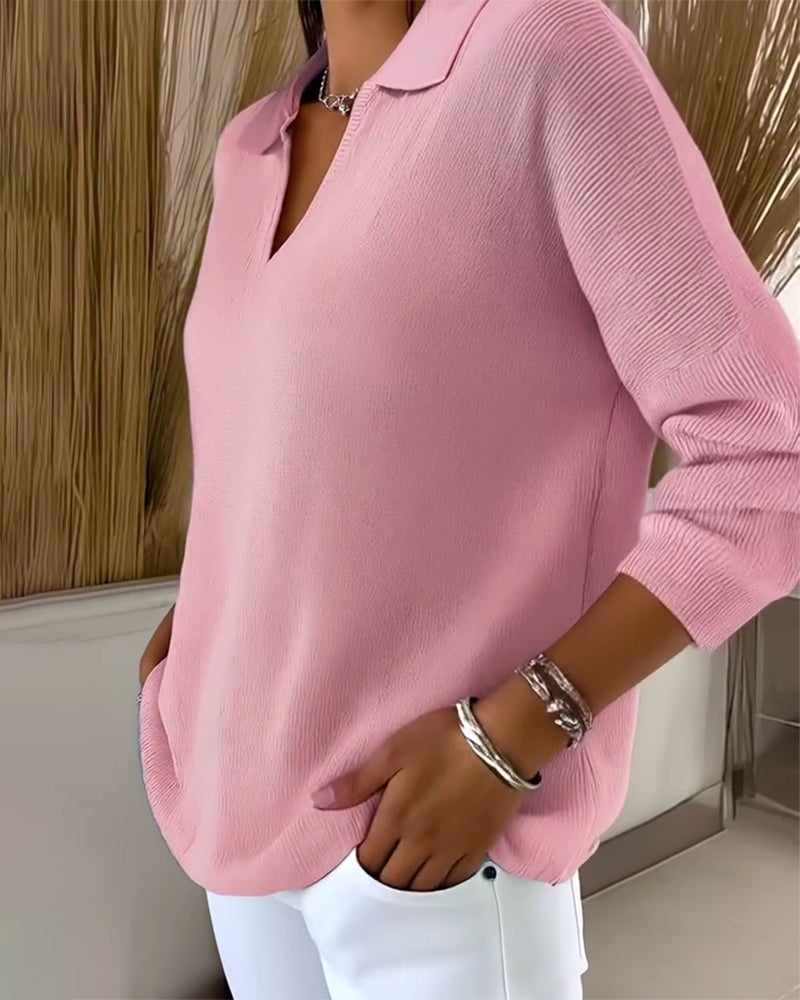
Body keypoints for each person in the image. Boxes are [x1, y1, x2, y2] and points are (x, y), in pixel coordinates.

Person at [138, 0, 800, 997]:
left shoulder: (547, 52)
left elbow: (769, 455)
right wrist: (202, 641)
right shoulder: (252, 144)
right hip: (236, 828)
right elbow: (289, 454)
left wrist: (517, 731)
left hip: (433, 855)